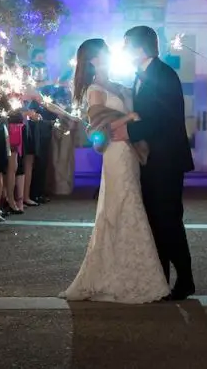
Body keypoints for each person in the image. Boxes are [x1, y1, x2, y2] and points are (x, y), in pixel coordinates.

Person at [61, 38, 169, 304]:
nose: (110, 55)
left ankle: (128, 270)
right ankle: (121, 275)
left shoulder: (119, 85)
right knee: (123, 204)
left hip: (130, 151)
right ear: (95, 59)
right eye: (105, 52)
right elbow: (96, 128)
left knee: (130, 203)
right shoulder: (94, 89)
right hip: (116, 151)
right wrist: (128, 119)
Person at [112, 26, 196, 300]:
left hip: (166, 158)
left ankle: (185, 280)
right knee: (156, 220)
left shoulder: (162, 75)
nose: (123, 50)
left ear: (140, 48)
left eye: (126, 45)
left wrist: (130, 132)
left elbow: (163, 118)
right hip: (152, 158)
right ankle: (160, 279)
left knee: (168, 219)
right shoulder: (144, 74)